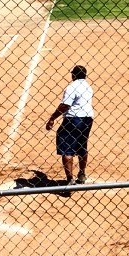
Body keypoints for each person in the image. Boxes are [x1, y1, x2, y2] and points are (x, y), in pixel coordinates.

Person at [46, 65, 94, 193]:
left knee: (67, 148)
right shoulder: (88, 86)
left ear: (74, 75)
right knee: (82, 146)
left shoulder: (71, 87)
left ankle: (70, 180)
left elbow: (65, 105)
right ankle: (82, 174)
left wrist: (52, 118)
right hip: (87, 119)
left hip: (73, 119)